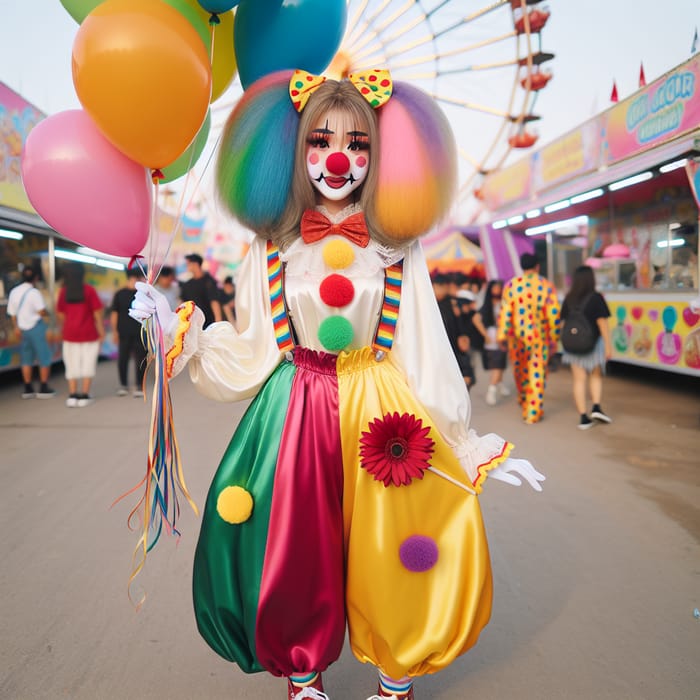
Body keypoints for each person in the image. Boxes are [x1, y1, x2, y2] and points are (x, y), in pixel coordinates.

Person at [130, 69, 543, 700]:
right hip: (295, 404)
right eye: (320, 141)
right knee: (294, 541)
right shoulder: (272, 244)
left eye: (359, 143)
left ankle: (395, 674)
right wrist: (178, 330)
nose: (339, 158)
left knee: (400, 538)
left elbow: (424, 344)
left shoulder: (397, 244)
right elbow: (253, 347)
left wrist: (463, 440)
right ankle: (303, 673)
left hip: (383, 409)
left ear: (382, 157)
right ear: (294, 155)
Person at [497, 253, 561, 424]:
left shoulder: (512, 285)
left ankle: (524, 399)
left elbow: (505, 312)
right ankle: (532, 412)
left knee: (520, 370)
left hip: (517, 338)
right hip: (539, 338)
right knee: (537, 372)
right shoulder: (546, 285)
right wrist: (554, 337)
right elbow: (554, 314)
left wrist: (502, 335)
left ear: (522, 267)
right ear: (537, 266)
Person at [560, 265, 613, 429]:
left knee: (579, 379)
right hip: (593, 344)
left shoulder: (569, 298)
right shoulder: (596, 298)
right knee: (595, 375)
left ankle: (583, 417)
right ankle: (596, 407)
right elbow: (602, 323)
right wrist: (608, 345)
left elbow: (563, 324)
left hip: (573, 346)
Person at [56, 263, 104, 407]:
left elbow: (60, 313)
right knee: (88, 363)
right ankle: (84, 395)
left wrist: (69, 323)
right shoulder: (89, 290)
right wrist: (101, 331)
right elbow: (97, 313)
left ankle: (72, 395)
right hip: (89, 333)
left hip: (70, 334)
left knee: (71, 364)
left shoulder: (64, 292)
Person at [6, 266, 56, 399]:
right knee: (44, 357)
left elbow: (12, 314)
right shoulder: (34, 293)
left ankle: (28, 388)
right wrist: (49, 314)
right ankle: (43, 387)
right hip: (36, 328)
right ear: (36, 278)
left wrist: (16, 327)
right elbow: (41, 311)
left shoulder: (14, 292)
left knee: (26, 359)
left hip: (21, 329)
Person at [431, 272, 475, 389]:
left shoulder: (453, 303)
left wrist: (463, 335)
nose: (439, 290)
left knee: (463, 377)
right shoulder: (429, 304)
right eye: (437, 287)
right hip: (436, 349)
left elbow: (463, 323)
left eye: (442, 287)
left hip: (454, 345)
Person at [110, 268, 147, 397]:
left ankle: (139, 385)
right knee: (123, 358)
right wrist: (115, 331)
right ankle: (123, 385)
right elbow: (114, 313)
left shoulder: (142, 295)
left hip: (140, 332)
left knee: (141, 359)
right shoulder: (120, 294)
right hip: (123, 332)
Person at [475, 280, 510, 406]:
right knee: (497, 365)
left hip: (503, 336)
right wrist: (485, 335)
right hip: (492, 337)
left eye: (499, 288)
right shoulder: (487, 305)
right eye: (495, 288)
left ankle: (499, 385)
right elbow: (476, 319)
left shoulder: (504, 302)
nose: (497, 290)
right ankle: (492, 389)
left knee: (500, 363)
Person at [179, 253, 222, 327]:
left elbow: (214, 302)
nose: (187, 266)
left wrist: (218, 323)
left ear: (195, 264)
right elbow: (184, 303)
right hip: (193, 324)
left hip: (209, 323)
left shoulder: (209, 282)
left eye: (188, 264)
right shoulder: (187, 284)